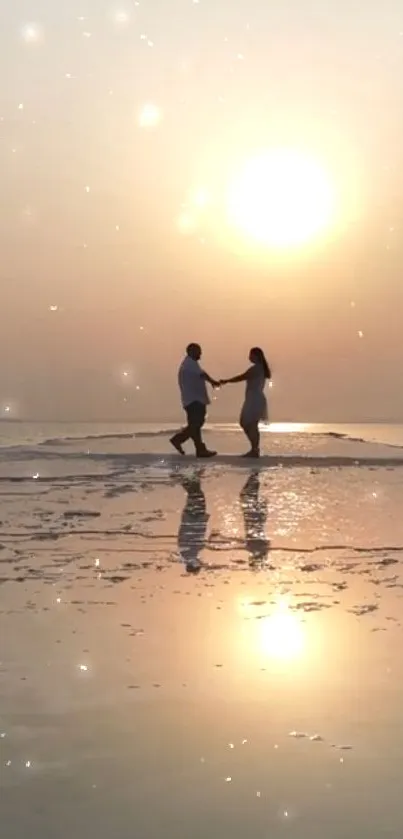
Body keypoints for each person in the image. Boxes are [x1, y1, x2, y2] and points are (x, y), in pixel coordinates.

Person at [170, 343, 219, 457]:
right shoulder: (190, 364)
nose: (200, 354)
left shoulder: (190, 364)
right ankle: (178, 440)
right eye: (198, 351)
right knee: (196, 424)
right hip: (194, 399)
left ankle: (200, 449)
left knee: (195, 424)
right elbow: (203, 375)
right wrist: (213, 382)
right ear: (191, 352)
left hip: (192, 399)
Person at [220, 347, 271, 457]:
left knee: (247, 422)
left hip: (254, 399)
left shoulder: (256, 368)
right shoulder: (259, 368)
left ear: (256, 356)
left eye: (251, 355)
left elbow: (242, 377)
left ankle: (255, 449)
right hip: (254, 398)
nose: (249, 357)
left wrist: (226, 381)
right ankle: (254, 449)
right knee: (250, 424)